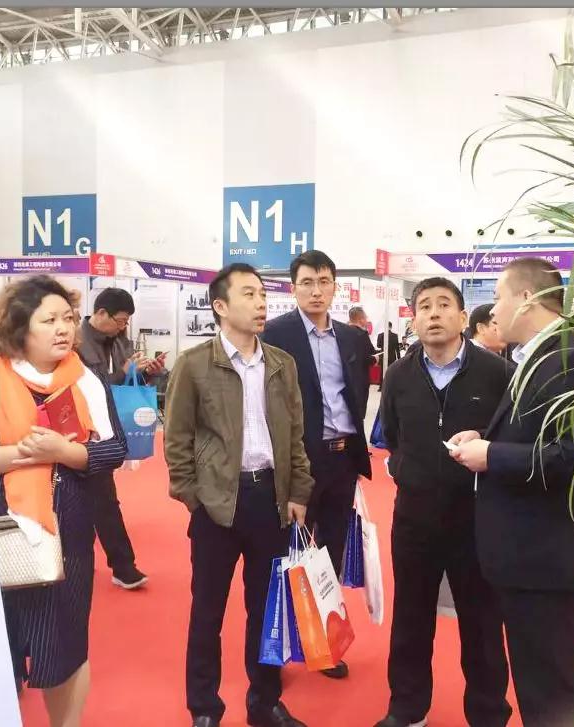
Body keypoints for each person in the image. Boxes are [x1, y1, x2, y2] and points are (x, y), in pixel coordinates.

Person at [451, 258, 574, 727]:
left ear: (526, 298)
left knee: (550, 693)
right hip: (530, 556)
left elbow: (572, 454)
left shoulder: (572, 357)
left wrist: (491, 455)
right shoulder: (538, 356)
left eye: (498, 297)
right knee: (538, 683)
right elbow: (537, 435)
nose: (493, 310)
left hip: (546, 558)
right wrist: (486, 439)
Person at [0, 275, 127, 726]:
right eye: (49, 320)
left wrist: (65, 452)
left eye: (69, 319)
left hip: (69, 537)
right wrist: (20, 455)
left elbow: (113, 449)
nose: (64, 329)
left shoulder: (86, 380)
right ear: (19, 327)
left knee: (66, 647)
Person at [165, 263, 313, 727]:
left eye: (262, 294)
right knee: (207, 610)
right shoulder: (194, 364)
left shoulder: (281, 364)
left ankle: (264, 701)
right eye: (249, 294)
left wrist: (298, 490)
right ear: (221, 306)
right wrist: (193, 497)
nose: (261, 303)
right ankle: (204, 708)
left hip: (271, 499)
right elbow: (177, 439)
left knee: (267, 610)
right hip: (216, 504)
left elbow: (295, 436)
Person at [376, 277, 513, 727]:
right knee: (411, 618)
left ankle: (488, 713)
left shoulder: (496, 373)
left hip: (476, 520)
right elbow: (392, 436)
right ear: (413, 319)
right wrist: (408, 470)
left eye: (443, 305)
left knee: (482, 622)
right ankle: (407, 709)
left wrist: (483, 442)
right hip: (414, 519)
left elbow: (509, 435)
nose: (433, 314)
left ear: (462, 316)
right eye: (424, 307)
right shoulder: (398, 376)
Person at [262, 250, 372, 680]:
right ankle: (282, 644)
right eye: (307, 282)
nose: (316, 290)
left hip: (342, 458)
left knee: (330, 553)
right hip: (298, 460)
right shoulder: (274, 334)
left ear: (334, 287)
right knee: (289, 553)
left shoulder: (353, 338)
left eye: (324, 281)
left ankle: (324, 641)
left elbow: (356, 395)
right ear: (293, 288)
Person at [78, 288, 164, 589]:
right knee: (102, 501)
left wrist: (147, 373)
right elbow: (87, 388)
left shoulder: (120, 341)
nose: (123, 326)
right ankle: (122, 566)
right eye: (120, 320)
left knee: (101, 500)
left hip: (111, 428)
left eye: (126, 321)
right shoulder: (76, 343)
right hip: (82, 431)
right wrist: (122, 372)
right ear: (100, 313)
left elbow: (128, 382)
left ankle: (119, 566)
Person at [347, 305, 378, 420]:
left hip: (344, 378)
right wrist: (375, 359)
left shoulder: (341, 333)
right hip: (360, 379)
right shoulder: (362, 335)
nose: (366, 320)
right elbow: (367, 358)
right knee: (358, 414)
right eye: (365, 318)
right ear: (361, 319)